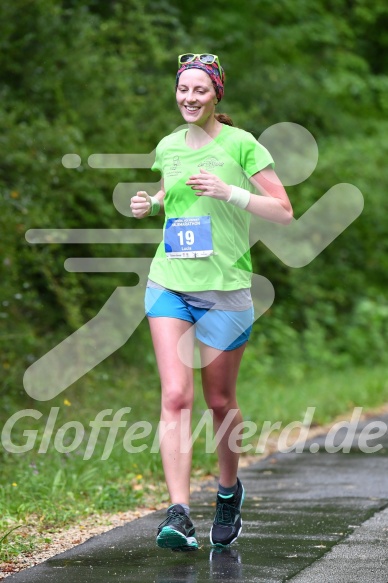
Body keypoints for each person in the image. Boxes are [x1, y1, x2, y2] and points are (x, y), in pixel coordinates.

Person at [130, 53, 293, 551]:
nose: (189, 98)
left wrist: (230, 192)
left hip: (224, 290)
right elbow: (172, 187)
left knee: (220, 401)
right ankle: (179, 512)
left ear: (216, 93)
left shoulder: (243, 145)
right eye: (183, 89)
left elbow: (284, 211)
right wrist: (151, 202)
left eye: (200, 90)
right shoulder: (169, 145)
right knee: (175, 396)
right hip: (170, 281)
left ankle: (227, 492)